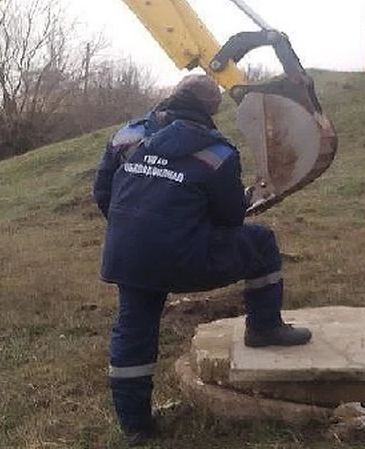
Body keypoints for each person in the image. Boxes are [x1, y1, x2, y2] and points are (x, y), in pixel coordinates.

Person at [93, 73, 312, 445]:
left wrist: (136, 226)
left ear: (172, 96)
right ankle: (263, 328)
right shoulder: (217, 152)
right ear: (212, 109)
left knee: (134, 327)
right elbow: (230, 219)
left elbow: (103, 190)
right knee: (261, 242)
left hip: (127, 255)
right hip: (186, 258)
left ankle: (135, 427)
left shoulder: (127, 135)